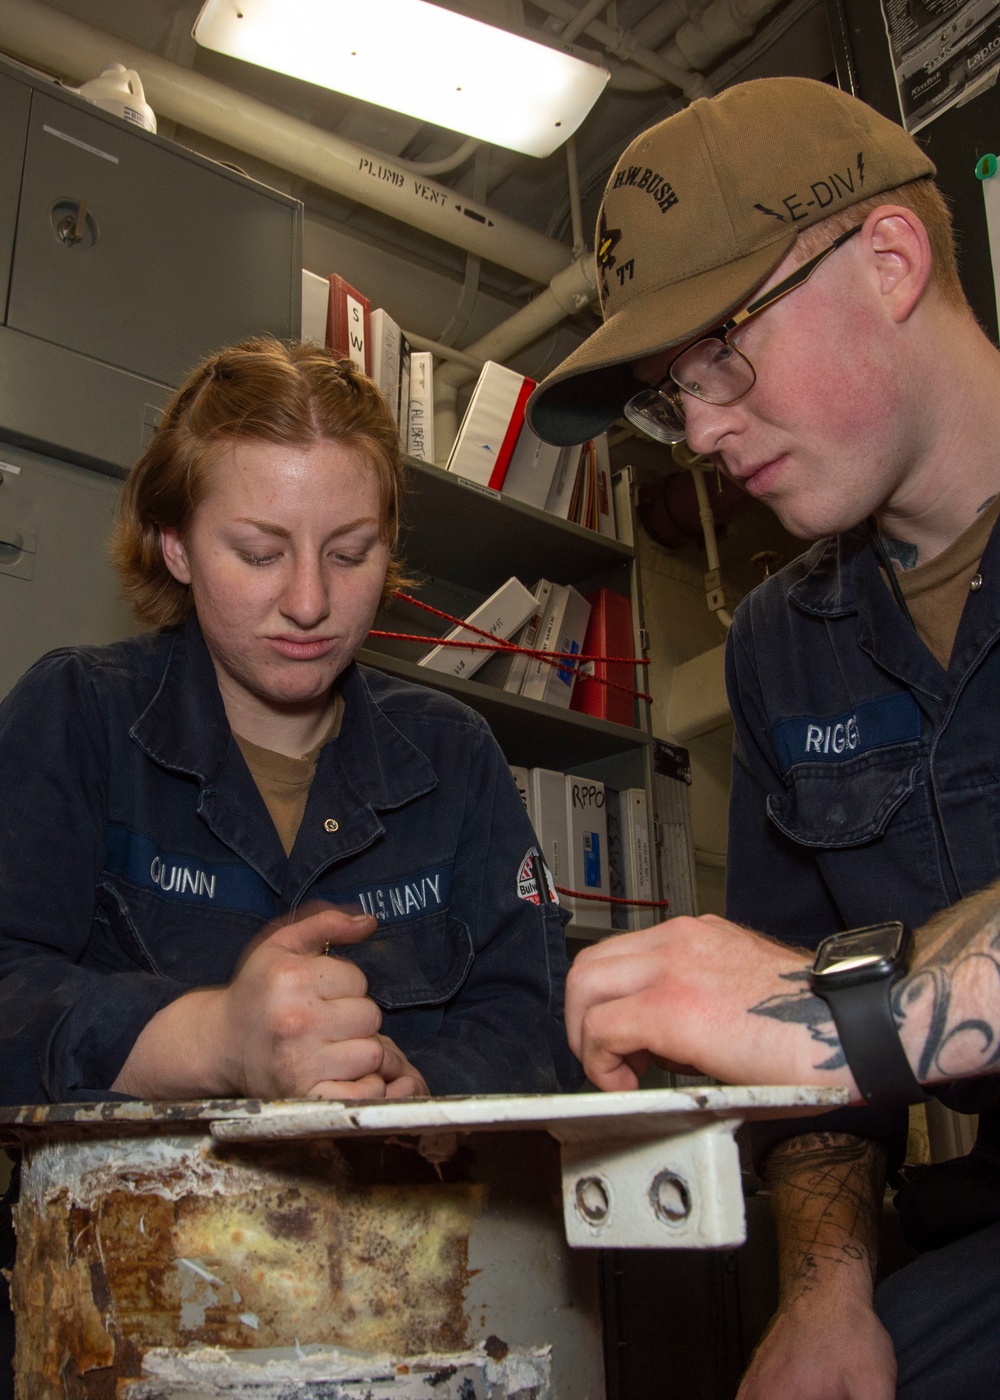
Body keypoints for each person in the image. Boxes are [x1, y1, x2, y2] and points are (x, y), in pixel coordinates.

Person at [526, 77, 1000, 1400]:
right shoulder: (785, 646)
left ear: (893, 260)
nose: (709, 433)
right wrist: (823, 1293)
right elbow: (817, 1060)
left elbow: (817, 1018)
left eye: (725, 356)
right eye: (675, 398)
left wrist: (851, 1019)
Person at [0, 336, 580, 1107]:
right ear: (176, 546)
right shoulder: (78, 714)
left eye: (349, 553)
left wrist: (419, 1086)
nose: (309, 602)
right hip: (131, 1224)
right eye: (258, 552)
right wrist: (213, 1040)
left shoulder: (457, 754)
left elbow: (534, 1024)